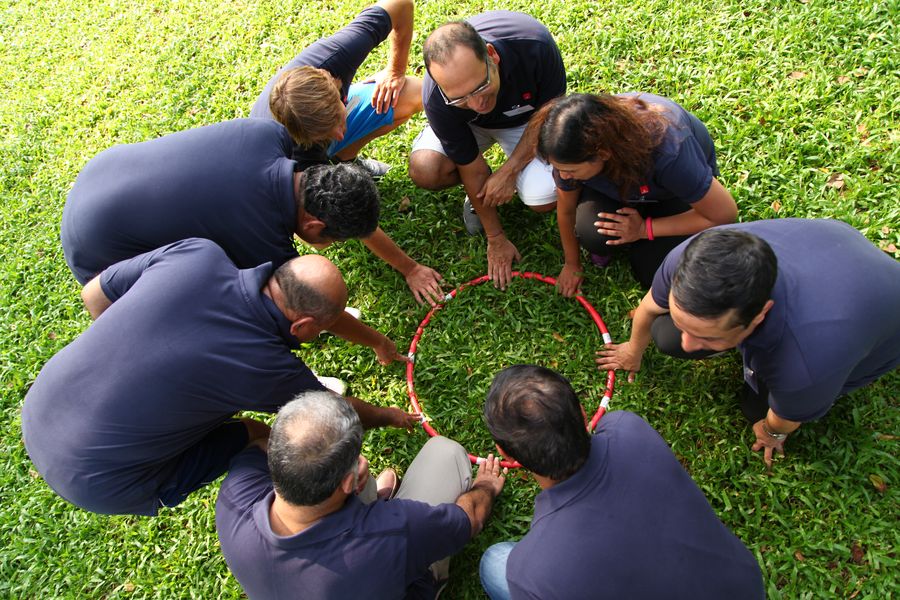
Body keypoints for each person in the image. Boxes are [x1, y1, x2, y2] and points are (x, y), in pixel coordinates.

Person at [21, 238, 416, 516]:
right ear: (304, 327)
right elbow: (334, 415)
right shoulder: (265, 366)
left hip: (41, 405)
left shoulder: (198, 254)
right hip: (104, 481)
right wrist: (388, 415)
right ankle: (356, 507)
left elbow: (94, 293)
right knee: (266, 438)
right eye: (326, 327)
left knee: (234, 422)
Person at [596, 220, 900, 469]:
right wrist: (632, 349)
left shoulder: (807, 362)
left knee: (755, 409)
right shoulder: (694, 260)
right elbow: (650, 306)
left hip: (880, 317)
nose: (689, 345)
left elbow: (786, 419)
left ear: (759, 315)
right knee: (666, 335)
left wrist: (771, 432)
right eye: (683, 321)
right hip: (831, 244)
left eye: (708, 336)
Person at [61, 118, 445, 305]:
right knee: (211, 300)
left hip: (101, 173)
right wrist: (375, 341)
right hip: (101, 253)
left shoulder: (271, 135)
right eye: (333, 239)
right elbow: (293, 304)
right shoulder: (263, 244)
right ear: (313, 225)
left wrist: (409, 266)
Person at [479, 365, 765, 600]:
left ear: (506, 454)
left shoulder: (531, 570)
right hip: (745, 588)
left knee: (494, 562)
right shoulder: (626, 426)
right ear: (582, 412)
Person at [216, 391, 506, 599]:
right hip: (384, 570)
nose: (363, 462)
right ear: (346, 485)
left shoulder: (235, 496)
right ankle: (433, 581)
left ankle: (372, 493)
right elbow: (470, 519)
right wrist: (486, 487)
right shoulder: (392, 533)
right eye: (357, 460)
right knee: (446, 452)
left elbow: (258, 443)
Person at [409, 12, 566, 289]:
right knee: (426, 169)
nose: (477, 103)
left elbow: (549, 115)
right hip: (469, 127)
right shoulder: (439, 98)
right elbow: (470, 165)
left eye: (481, 86)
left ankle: (501, 184)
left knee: (543, 197)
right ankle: (481, 197)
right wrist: (495, 238)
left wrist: (510, 171)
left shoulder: (534, 45)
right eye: (460, 97)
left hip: (528, 121)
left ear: (491, 55)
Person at [534, 93, 738, 294]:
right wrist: (572, 263)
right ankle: (627, 234)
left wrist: (644, 229)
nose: (563, 176)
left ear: (603, 153)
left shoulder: (669, 150)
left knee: (652, 272)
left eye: (570, 170)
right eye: (557, 168)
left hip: (672, 193)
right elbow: (566, 209)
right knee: (594, 234)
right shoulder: (565, 149)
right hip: (626, 187)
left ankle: (643, 233)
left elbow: (724, 214)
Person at [250, 0, 422, 178]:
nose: (340, 135)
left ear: (331, 83)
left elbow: (400, 5)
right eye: (325, 133)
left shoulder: (338, 54)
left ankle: (346, 158)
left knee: (413, 92)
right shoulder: (287, 157)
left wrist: (395, 71)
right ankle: (336, 163)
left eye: (339, 118)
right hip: (292, 160)